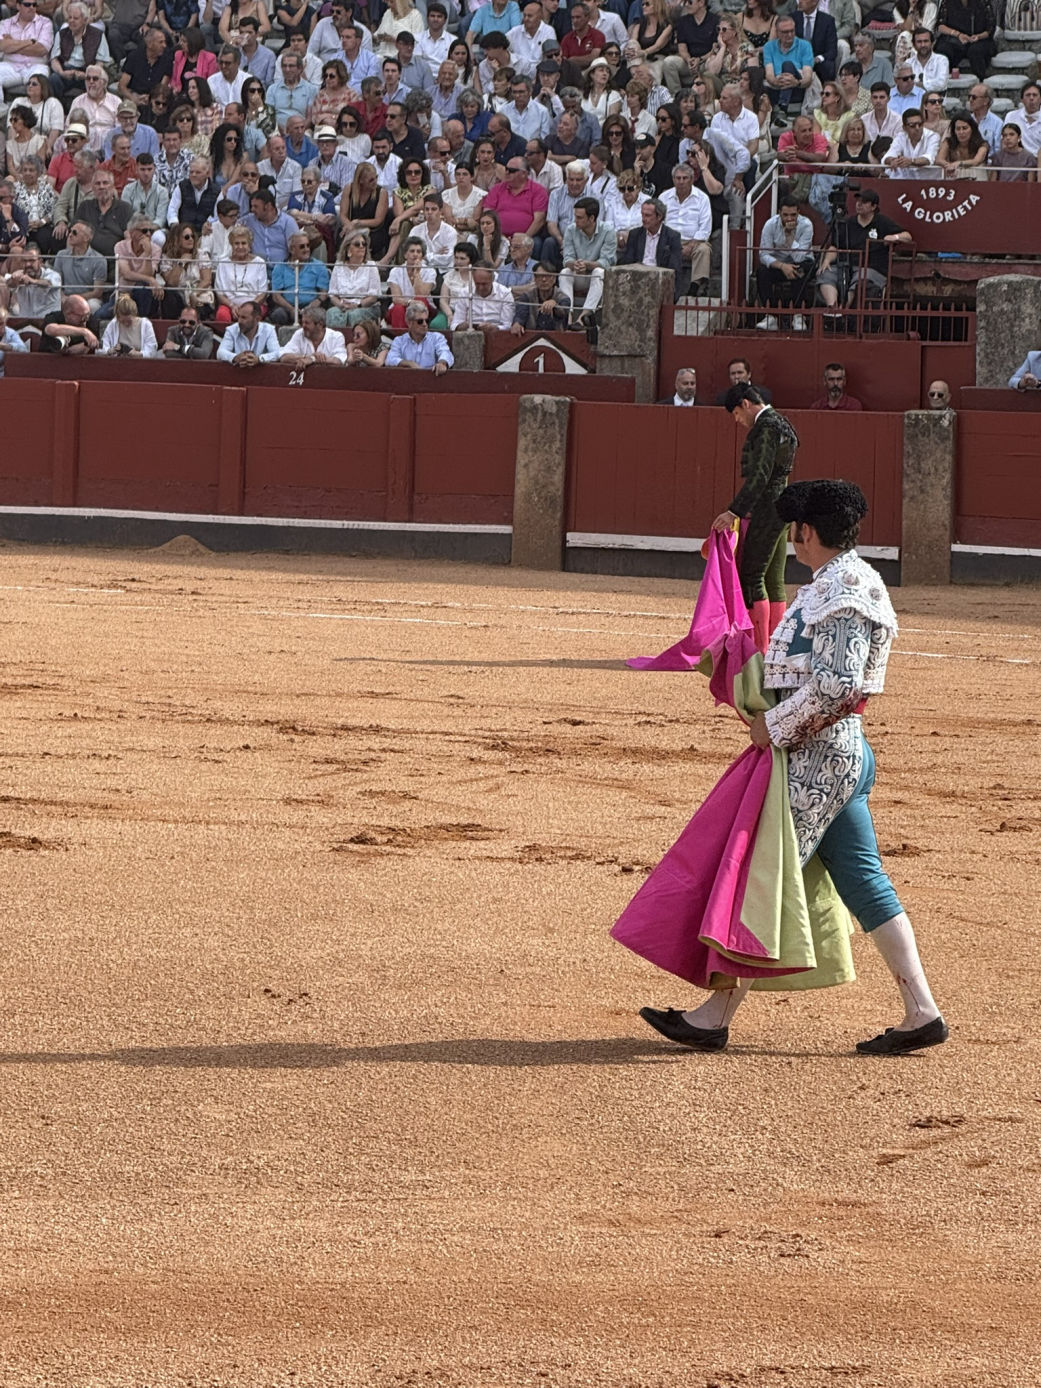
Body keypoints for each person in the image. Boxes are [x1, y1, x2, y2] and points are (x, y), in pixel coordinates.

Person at [639, 479, 948, 1057]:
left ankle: (713, 1017)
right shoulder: (841, 580)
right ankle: (921, 1011)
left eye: (794, 530)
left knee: (763, 874)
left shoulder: (844, 588)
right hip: (835, 755)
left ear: (806, 531)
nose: (793, 540)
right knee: (863, 882)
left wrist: (774, 725)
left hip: (817, 758)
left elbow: (839, 685)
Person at [710, 381, 798, 650]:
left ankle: (757, 651)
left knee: (752, 576)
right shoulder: (782, 423)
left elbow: (760, 476)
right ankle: (775, 648)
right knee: (773, 579)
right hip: (782, 506)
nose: (738, 420)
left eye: (737, 414)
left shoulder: (766, 427)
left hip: (767, 508)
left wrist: (734, 511)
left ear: (746, 404)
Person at [816, 186, 910, 311]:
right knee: (826, 274)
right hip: (847, 266)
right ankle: (833, 309)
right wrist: (827, 260)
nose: (859, 204)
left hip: (872, 268)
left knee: (860, 278)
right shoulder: (848, 223)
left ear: (873, 206)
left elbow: (907, 236)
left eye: (864, 202)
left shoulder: (882, 222)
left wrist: (894, 237)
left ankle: (845, 310)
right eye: (858, 201)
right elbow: (835, 246)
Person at [755, 197, 814, 333]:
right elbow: (763, 255)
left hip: (801, 262)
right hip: (779, 264)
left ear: (798, 213)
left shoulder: (806, 225)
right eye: (785, 215)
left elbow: (799, 257)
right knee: (762, 272)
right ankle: (771, 316)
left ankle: (798, 315)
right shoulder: (770, 225)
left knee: (799, 270)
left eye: (793, 215)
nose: (789, 219)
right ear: (779, 213)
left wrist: (789, 237)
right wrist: (782, 266)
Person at [658, 161, 710, 297]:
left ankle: (695, 287)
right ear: (673, 179)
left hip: (694, 241)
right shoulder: (664, 197)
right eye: (678, 178)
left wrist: (691, 245)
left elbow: (705, 228)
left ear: (692, 180)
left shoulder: (702, 198)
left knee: (704, 250)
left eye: (685, 178)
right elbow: (658, 223)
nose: (681, 182)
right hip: (669, 240)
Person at [616, 196, 682, 298]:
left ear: (659, 217)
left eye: (647, 215)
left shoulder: (672, 236)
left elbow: (674, 267)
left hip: (659, 279)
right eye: (642, 214)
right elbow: (628, 261)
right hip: (637, 277)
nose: (643, 219)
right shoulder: (635, 234)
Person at [932, 0, 995, 83]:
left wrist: (978, 36)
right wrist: (958, 34)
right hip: (955, 38)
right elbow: (940, 26)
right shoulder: (947, 2)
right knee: (944, 49)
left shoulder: (984, 2)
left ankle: (980, 82)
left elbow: (990, 29)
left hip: (980, 39)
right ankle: (942, 82)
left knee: (975, 51)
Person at [385, 297, 453, 371]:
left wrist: (442, 363)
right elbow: (390, 359)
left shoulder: (437, 338)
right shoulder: (399, 341)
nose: (425, 324)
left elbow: (446, 353)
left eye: (427, 321)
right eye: (420, 321)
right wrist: (409, 364)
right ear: (409, 323)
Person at [450, 259, 515, 329]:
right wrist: (462, 326)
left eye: (484, 284)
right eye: (477, 283)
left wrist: (495, 328)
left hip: (496, 333)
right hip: (470, 332)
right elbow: (455, 324)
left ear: (492, 279)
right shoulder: (465, 293)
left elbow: (507, 325)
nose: (481, 288)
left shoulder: (505, 294)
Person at [279, 301, 348, 366]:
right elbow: (284, 357)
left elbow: (339, 360)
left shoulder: (336, 337)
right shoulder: (299, 334)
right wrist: (308, 357)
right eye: (302, 322)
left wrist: (313, 359)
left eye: (307, 323)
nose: (303, 326)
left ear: (320, 325)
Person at [217, 298, 282, 363]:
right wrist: (235, 357)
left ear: (257, 319)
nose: (239, 321)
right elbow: (220, 352)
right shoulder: (231, 330)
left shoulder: (269, 330)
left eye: (244, 317)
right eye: (239, 316)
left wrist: (259, 359)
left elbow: (277, 353)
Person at [882, 106, 940, 178]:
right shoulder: (901, 136)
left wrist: (911, 161)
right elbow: (888, 156)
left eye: (920, 124)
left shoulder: (932, 136)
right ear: (904, 128)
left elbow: (929, 158)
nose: (917, 128)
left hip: (928, 181)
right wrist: (893, 160)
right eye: (912, 125)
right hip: (905, 180)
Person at [510, 258, 569, 330]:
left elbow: (563, 312)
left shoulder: (563, 297)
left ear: (554, 279)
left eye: (547, 276)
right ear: (535, 279)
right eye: (540, 276)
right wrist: (517, 324)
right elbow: (520, 316)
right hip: (533, 334)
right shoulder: (527, 297)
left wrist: (555, 305)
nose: (544, 280)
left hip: (555, 335)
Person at [99, 292, 160, 356]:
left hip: (139, 361)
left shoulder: (146, 324)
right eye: (122, 321)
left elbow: (152, 349)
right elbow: (103, 347)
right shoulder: (113, 324)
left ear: (135, 314)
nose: (126, 324)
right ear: (118, 317)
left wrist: (139, 354)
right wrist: (110, 350)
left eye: (129, 321)